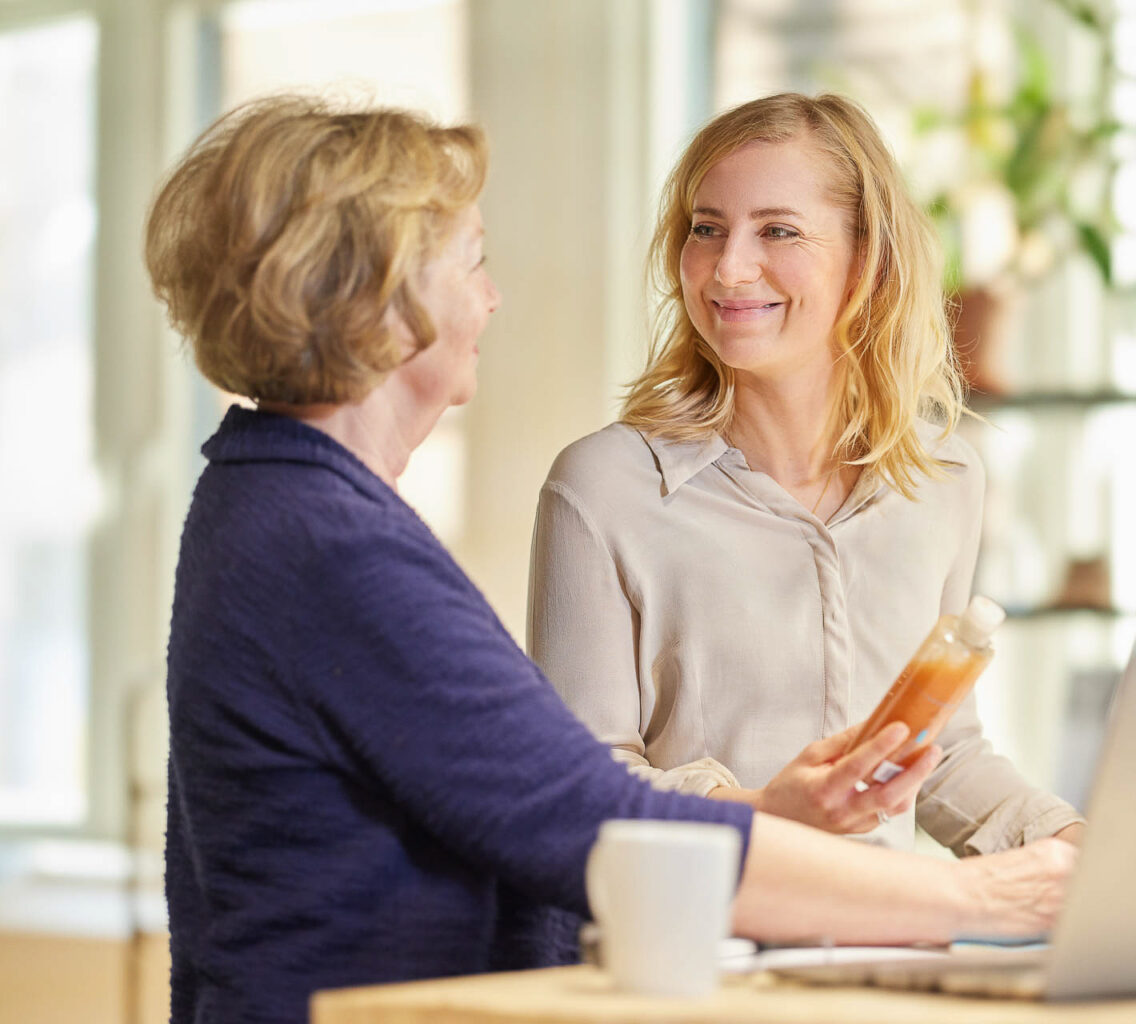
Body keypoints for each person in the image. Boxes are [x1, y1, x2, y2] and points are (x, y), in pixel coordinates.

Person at [147, 95, 1076, 1024]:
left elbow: (558, 808)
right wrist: (980, 900)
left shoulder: (287, 510)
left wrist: (1052, 856)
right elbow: (583, 813)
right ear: (377, 300)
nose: (492, 298)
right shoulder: (329, 546)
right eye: (472, 261)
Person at [530, 92, 1084, 850]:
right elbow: (578, 783)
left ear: (868, 258)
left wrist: (1076, 848)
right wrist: (764, 811)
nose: (729, 268)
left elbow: (941, 752)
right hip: (705, 919)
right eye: (707, 229)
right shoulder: (603, 488)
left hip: (890, 921)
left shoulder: (944, 475)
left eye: (778, 230)